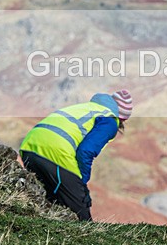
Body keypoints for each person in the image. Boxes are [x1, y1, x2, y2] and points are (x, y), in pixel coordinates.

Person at [19, 89, 132, 221]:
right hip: (55, 153)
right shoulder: (110, 120)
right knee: (81, 215)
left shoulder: (86, 108)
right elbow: (86, 151)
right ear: (122, 118)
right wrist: (81, 183)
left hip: (28, 147)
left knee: (47, 203)